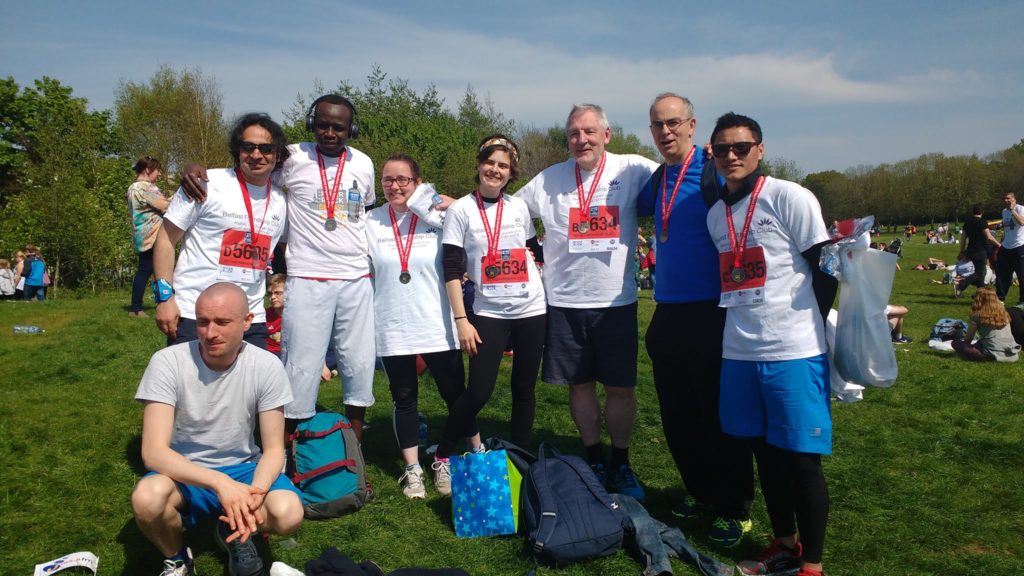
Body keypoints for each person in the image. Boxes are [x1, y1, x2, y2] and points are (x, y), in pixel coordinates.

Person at [705, 113, 837, 576]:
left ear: (760, 149)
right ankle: (784, 544)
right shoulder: (714, 215)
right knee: (764, 457)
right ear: (714, 155)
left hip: (794, 351)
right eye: (722, 149)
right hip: (739, 352)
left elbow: (824, 270)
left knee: (802, 462)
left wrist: (812, 330)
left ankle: (812, 567)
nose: (732, 155)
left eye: (741, 146)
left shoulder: (789, 196)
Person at [511, 104, 658, 500]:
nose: (582, 140)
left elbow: (674, 177)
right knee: (580, 386)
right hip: (563, 301)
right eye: (574, 133)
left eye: (590, 132)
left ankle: (621, 462)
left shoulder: (634, 168)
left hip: (616, 302)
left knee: (621, 388)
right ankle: (593, 456)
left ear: (606, 135)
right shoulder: (550, 178)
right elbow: (510, 210)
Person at [637, 93, 754, 546]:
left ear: (691, 125)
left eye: (673, 123)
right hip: (668, 310)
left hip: (713, 310)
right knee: (678, 414)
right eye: (656, 126)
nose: (665, 132)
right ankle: (700, 491)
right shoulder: (656, 180)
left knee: (717, 412)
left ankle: (735, 505)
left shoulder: (712, 171)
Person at [131, 283, 303, 576]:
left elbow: (274, 449)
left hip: (243, 467)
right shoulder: (167, 362)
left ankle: (230, 528)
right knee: (146, 499)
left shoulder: (267, 365)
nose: (210, 333)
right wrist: (219, 483)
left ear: (247, 322)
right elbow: (154, 452)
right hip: (184, 470)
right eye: (202, 322)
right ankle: (177, 558)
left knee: (288, 513)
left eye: (222, 322)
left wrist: (255, 493)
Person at [435, 135, 547, 496]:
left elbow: (532, 250)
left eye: (503, 166)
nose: (495, 170)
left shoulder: (517, 208)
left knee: (524, 387)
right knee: (479, 392)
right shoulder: (461, 210)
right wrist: (461, 319)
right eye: (490, 163)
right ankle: (443, 455)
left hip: (531, 307)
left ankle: (520, 459)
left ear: (510, 172)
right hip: (489, 311)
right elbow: (451, 268)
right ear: (479, 165)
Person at [366, 153, 481, 499]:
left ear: (418, 183)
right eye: (388, 179)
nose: (395, 186)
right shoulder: (370, 221)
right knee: (404, 399)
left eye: (403, 179)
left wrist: (452, 201)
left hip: (437, 321)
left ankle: (475, 454)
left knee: (455, 393)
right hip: (392, 322)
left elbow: (477, 218)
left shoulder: (438, 217)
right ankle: (413, 470)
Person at [153, 113, 288, 349]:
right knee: (190, 386)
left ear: (277, 155)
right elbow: (165, 238)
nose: (256, 155)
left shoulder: (281, 200)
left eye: (266, 148)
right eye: (248, 147)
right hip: (197, 314)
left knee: (249, 386)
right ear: (238, 150)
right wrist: (164, 298)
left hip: (250, 318)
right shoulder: (205, 184)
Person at [127, 156, 169, 318]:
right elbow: (166, 206)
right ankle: (136, 309)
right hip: (152, 236)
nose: (159, 174)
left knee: (148, 271)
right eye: (157, 170)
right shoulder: (145, 188)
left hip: (141, 235)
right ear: (147, 170)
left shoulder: (132, 188)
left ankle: (159, 303)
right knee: (147, 271)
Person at [951, 287, 1021, 362]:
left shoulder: (976, 316)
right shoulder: (1004, 313)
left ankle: (983, 356)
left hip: (992, 354)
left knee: (955, 343)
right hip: (1012, 353)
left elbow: (968, 340)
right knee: (980, 342)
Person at [956, 203, 999, 298]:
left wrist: (962, 251)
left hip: (970, 250)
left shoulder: (967, 222)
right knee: (980, 272)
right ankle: (961, 285)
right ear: (982, 212)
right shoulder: (982, 222)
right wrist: (999, 244)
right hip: (980, 250)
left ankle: (979, 294)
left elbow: (963, 237)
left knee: (981, 273)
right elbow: (988, 236)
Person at [994, 192, 1024, 306]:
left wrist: (1012, 210)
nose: (1006, 200)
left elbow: (1022, 222)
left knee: (1021, 275)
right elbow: (1007, 230)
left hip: (1019, 246)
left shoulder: (1021, 209)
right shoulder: (1004, 212)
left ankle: (1022, 300)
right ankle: (1000, 298)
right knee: (1002, 274)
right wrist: (1001, 243)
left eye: (1008, 198)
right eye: (1004, 198)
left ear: (1014, 199)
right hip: (1006, 246)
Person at [266, 274, 286, 357]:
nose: (273, 297)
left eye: (278, 293)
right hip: (269, 354)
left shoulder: (298, 316)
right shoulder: (264, 315)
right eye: (270, 293)